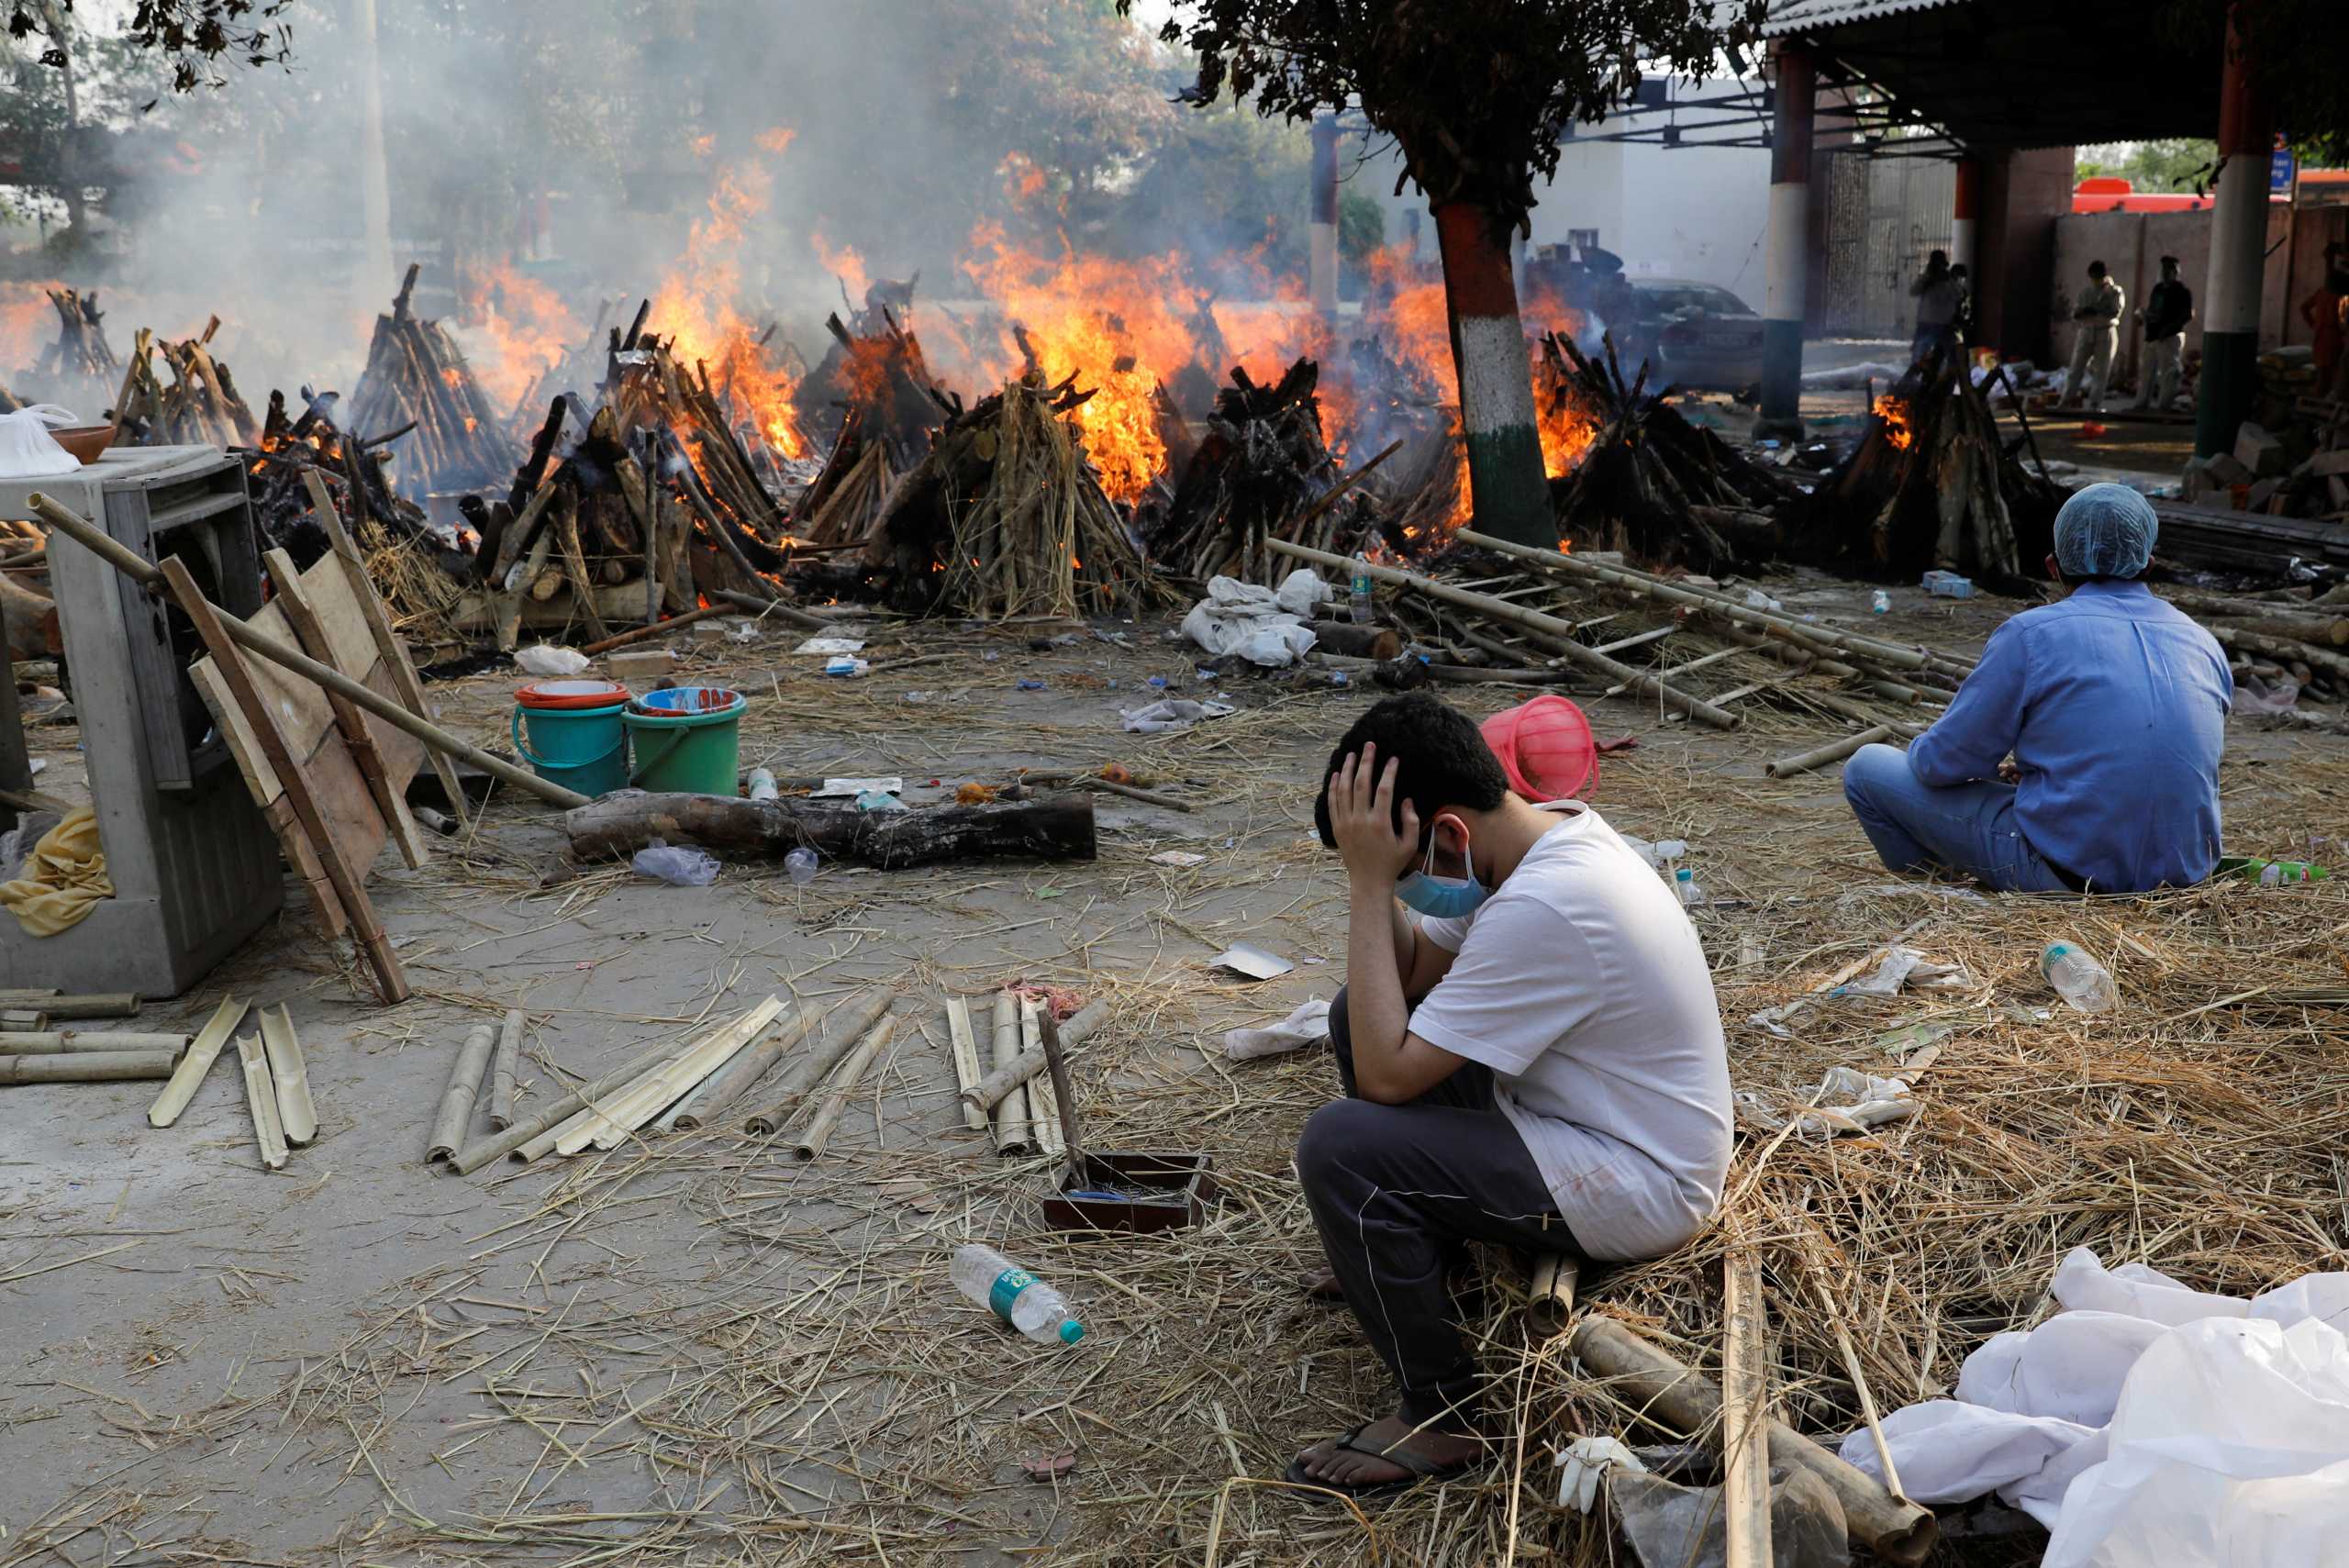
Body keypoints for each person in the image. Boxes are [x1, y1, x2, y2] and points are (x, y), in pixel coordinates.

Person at [1286, 693, 1730, 1496]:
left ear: (1449, 833)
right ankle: (1421, 1253)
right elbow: (1414, 974)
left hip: (1642, 1176)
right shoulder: (1537, 840)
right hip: (1579, 1121)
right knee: (1363, 1009)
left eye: (1407, 865)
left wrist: (1364, 884)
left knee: (1340, 1149)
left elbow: (1388, 1075)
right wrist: (1382, 873)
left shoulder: (1547, 902)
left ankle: (1444, 1414)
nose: (1405, 885)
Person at [1842, 484, 2232, 894]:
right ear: (2149, 563)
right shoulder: (2203, 642)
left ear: (2052, 567)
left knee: (1867, 768)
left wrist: (1974, 765)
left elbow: (1942, 765)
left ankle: (1940, 901)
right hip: (2182, 879)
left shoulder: (2031, 635)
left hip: (2070, 876)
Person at [2062, 261, 2125, 411]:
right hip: (2086, 330)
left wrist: (2096, 311)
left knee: (2101, 370)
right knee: (2076, 367)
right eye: (2093, 276)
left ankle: (2095, 404)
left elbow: (2116, 311)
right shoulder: (2086, 292)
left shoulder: (2115, 291)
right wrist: (2082, 313)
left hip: (2105, 330)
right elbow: (2075, 313)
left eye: (2098, 276)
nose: (2095, 279)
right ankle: (2066, 400)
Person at [2132, 255, 2193, 412]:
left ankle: (2164, 406)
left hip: (2170, 337)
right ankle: (2141, 404)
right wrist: (2143, 317)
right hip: (2152, 335)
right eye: (2163, 268)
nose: (2165, 272)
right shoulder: (2157, 289)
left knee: (2169, 373)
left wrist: (2168, 328)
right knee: (2146, 372)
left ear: (2176, 271)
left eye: (2168, 269)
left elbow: (2187, 315)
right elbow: (2154, 310)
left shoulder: (2182, 292)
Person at [1908, 249, 1965, 366]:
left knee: (1951, 358)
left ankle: (1946, 379)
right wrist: (1928, 278)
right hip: (1928, 323)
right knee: (1919, 357)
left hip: (1943, 324)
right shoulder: (1927, 278)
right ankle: (1914, 379)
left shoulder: (1948, 280)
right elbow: (1913, 291)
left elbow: (1959, 294)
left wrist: (1948, 279)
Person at [2302, 261, 2347, 404]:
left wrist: (2313, 324)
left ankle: (2320, 402)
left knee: (2324, 374)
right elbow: (2343, 323)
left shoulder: (2321, 292)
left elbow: (2303, 307)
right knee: (2330, 377)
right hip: (2333, 337)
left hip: (2320, 335)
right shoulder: (2341, 297)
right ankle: (2319, 405)